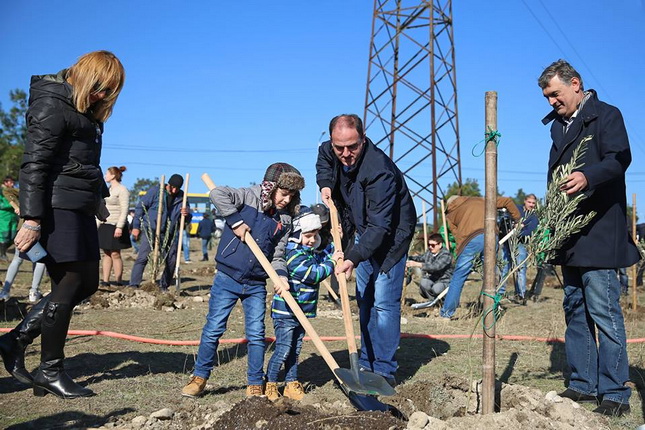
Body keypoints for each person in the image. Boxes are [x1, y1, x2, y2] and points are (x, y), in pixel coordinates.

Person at [0, 50, 125, 398]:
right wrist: (32, 219)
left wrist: (98, 196)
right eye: (101, 88)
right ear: (87, 78)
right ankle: (50, 369)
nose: (104, 97)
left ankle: (15, 341)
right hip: (57, 207)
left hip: (80, 206)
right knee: (69, 282)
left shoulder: (83, 110)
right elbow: (35, 164)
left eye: (110, 92)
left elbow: (84, 161)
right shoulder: (53, 104)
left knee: (86, 283)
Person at [538, 59, 640, 416]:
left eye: (554, 94)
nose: (551, 102)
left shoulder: (606, 116)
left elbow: (619, 159)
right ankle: (583, 384)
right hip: (569, 237)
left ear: (575, 84)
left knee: (604, 311)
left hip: (598, 231)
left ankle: (615, 393)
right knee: (575, 310)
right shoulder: (558, 128)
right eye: (547, 97)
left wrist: (588, 176)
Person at [181, 162, 305, 398]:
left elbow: (278, 255)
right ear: (271, 187)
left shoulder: (284, 220)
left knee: (257, 334)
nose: (286, 200)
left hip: (256, 283)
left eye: (292, 196)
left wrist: (281, 276)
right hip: (227, 277)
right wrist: (236, 221)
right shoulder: (247, 197)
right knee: (214, 328)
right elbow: (217, 193)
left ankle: (255, 384)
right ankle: (199, 377)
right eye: (283, 193)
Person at [316, 114, 417, 386]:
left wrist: (352, 258)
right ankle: (364, 362)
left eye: (353, 146)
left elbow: (380, 227)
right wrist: (325, 184)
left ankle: (383, 369)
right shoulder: (330, 150)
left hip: (390, 236)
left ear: (363, 138)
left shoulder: (379, 171)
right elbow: (324, 160)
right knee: (365, 299)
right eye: (340, 147)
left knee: (383, 302)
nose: (346, 154)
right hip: (362, 229)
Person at [265, 211, 342, 401]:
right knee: (283, 349)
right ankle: (271, 384)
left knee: (295, 350)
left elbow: (320, 258)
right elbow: (313, 274)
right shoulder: (293, 254)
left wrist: (334, 244)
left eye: (315, 236)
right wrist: (332, 262)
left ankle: (291, 383)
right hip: (286, 313)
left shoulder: (305, 252)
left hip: (301, 313)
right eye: (308, 236)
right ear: (297, 234)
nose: (312, 240)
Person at [439, 195, 521, 319]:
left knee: (458, 277)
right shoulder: (481, 200)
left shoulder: (450, 214)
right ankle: (492, 312)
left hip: (469, 241)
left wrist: (458, 254)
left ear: (449, 205)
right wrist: (517, 219)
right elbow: (507, 201)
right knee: (491, 276)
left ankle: (446, 313)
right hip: (490, 235)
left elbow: (456, 236)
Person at [129, 174, 190, 291]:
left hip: (170, 232)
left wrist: (187, 214)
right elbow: (140, 207)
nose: (174, 190)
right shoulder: (156, 191)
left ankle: (163, 286)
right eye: (172, 187)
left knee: (171, 260)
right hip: (151, 230)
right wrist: (136, 226)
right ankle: (133, 284)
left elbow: (187, 219)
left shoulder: (182, 197)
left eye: (177, 188)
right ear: (168, 184)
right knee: (143, 257)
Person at [98, 166, 131, 286]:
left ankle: (118, 280)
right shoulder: (108, 189)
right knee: (106, 253)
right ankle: (105, 280)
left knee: (115, 253)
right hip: (105, 224)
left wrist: (120, 226)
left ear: (113, 175)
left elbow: (125, 209)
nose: (105, 176)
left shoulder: (122, 190)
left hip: (116, 225)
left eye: (107, 174)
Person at [502, 194, 538, 302]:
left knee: (520, 268)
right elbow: (506, 218)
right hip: (507, 242)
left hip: (520, 244)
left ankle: (521, 295)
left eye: (533, 203)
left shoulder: (533, 217)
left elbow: (529, 231)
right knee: (504, 266)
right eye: (529, 202)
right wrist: (510, 227)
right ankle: (500, 292)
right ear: (525, 201)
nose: (531, 205)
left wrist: (518, 231)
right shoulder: (516, 208)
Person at [406, 233, 453, 304]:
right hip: (432, 279)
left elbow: (435, 267)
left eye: (433, 245)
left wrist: (417, 264)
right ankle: (434, 302)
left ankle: (445, 303)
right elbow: (421, 258)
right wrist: (409, 258)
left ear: (440, 245)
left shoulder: (446, 255)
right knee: (424, 283)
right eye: (429, 245)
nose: (430, 247)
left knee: (437, 288)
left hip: (444, 281)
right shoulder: (429, 252)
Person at [0, 176, 20, 262]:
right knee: (4, 235)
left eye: (13, 182)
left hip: (13, 217)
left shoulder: (13, 192)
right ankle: (2, 254)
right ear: (6, 182)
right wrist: (12, 206)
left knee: (12, 236)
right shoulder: (1, 191)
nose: (12, 184)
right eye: (11, 182)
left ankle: (2, 252)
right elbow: (2, 204)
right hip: (4, 217)